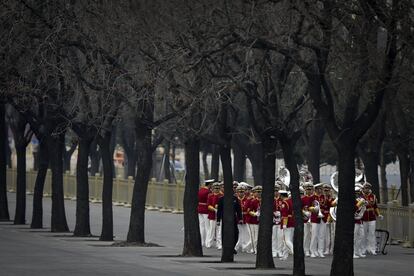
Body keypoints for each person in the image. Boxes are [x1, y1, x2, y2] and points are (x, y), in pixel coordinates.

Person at [216, 186, 243, 254]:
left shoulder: (235, 199)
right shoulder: (221, 199)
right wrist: (218, 220)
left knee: (236, 233)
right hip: (224, 218)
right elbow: (219, 210)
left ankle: (232, 246)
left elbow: (238, 209)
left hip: (233, 218)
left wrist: (240, 218)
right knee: (224, 234)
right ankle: (225, 247)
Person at [362, 182, 382, 255]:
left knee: (372, 233)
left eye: (367, 188)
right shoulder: (361, 196)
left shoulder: (373, 196)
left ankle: (372, 248)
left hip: (372, 217)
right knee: (363, 234)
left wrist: (379, 214)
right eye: (365, 188)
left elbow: (375, 207)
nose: (366, 189)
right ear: (363, 189)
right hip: (363, 217)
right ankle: (363, 248)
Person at [310, 183, 326, 258]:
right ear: (315, 189)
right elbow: (309, 207)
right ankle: (313, 251)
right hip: (315, 218)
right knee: (314, 235)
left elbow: (328, 206)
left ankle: (320, 251)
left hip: (323, 218)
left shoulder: (324, 197)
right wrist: (314, 209)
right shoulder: (312, 197)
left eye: (321, 189)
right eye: (319, 189)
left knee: (321, 236)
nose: (320, 190)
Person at [206, 182, 222, 248]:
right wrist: (214, 209)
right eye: (215, 188)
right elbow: (208, 205)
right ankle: (209, 242)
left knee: (219, 231)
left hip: (220, 215)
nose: (216, 189)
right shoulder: (210, 196)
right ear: (213, 188)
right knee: (211, 229)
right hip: (212, 214)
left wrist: (219, 208)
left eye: (218, 188)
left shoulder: (222, 196)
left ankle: (219, 244)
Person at [198, 179, 214, 246]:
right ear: (209, 184)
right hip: (205, 210)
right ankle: (207, 242)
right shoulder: (208, 191)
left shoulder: (200, 190)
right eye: (211, 185)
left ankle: (202, 242)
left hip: (199, 208)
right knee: (208, 227)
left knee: (202, 226)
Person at [246, 185, 262, 254]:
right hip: (252, 221)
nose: (259, 193)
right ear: (254, 193)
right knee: (253, 236)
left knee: (258, 236)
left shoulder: (264, 201)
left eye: (260, 192)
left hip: (259, 221)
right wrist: (255, 214)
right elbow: (248, 211)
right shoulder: (252, 201)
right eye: (257, 192)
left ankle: (256, 248)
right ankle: (254, 249)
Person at [234, 185, 250, 253]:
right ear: (237, 192)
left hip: (245, 217)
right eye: (239, 192)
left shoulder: (247, 199)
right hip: (237, 218)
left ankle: (245, 246)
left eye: (242, 192)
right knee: (239, 232)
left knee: (246, 232)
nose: (241, 193)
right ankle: (237, 246)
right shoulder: (235, 199)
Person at [279, 190, 294, 261]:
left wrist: (284, 224)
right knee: (288, 240)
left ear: (282, 196)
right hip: (292, 221)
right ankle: (285, 256)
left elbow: (285, 215)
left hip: (287, 222)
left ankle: (294, 251)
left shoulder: (284, 203)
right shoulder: (291, 201)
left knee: (286, 240)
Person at [301, 182, 314, 257]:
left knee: (313, 235)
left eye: (310, 189)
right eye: (307, 189)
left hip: (313, 218)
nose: (309, 191)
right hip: (305, 218)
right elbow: (300, 208)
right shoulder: (303, 199)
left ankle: (312, 249)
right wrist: (304, 213)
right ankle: (306, 250)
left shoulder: (314, 198)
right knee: (306, 235)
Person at [354, 186, 366, 259]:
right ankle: (352, 252)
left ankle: (358, 251)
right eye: (356, 193)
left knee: (361, 236)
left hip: (359, 220)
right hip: (354, 221)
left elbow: (362, 210)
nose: (358, 194)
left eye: (359, 193)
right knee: (354, 237)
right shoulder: (352, 200)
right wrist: (360, 203)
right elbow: (354, 208)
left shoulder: (360, 200)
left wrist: (364, 204)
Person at [272, 182, 283, 258]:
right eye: (274, 191)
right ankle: (274, 251)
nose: (275, 192)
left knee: (280, 236)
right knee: (273, 237)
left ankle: (280, 250)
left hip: (280, 220)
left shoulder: (282, 199)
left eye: (277, 190)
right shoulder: (270, 199)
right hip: (272, 221)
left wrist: (280, 213)